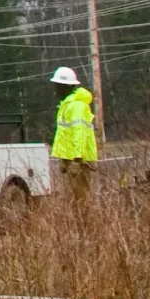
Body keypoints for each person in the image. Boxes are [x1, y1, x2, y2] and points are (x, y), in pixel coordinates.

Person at [50, 65, 98, 200]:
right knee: (74, 200)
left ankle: (85, 222)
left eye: (57, 86)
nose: (55, 90)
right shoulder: (68, 105)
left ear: (65, 87)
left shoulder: (76, 105)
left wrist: (77, 160)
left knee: (81, 200)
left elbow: (79, 133)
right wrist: (63, 159)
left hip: (77, 162)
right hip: (70, 160)